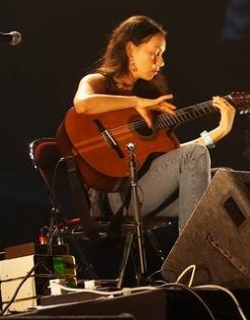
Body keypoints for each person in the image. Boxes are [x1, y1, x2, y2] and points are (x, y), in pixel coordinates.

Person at [71, 15, 237, 232]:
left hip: (146, 189)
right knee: (196, 157)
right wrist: (135, 102)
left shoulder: (148, 97)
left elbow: (177, 158)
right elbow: (82, 105)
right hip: (116, 196)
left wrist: (218, 132)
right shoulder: (98, 82)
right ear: (130, 50)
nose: (161, 62)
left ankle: (216, 260)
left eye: (162, 55)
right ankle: (190, 258)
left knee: (223, 180)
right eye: (154, 53)